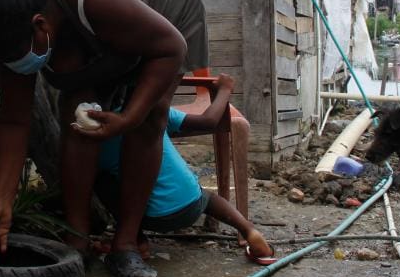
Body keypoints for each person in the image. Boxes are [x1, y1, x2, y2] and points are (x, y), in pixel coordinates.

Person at [0, 0, 209, 277]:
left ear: (40, 26)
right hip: (92, 19)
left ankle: (125, 244)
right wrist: (1, 201)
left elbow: (171, 48)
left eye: (12, 58)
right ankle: (77, 238)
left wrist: (128, 117)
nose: (12, 67)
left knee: (148, 121)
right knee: (80, 115)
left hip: (164, 7)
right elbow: (14, 119)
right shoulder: (10, 22)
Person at [94, 73, 276, 265]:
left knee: (101, 179)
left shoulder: (94, 136)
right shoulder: (153, 112)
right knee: (207, 197)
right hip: (192, 204)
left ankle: (136, 240)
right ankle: (248, 230)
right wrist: (224, 90)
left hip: (148, 216)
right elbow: (209, 121)